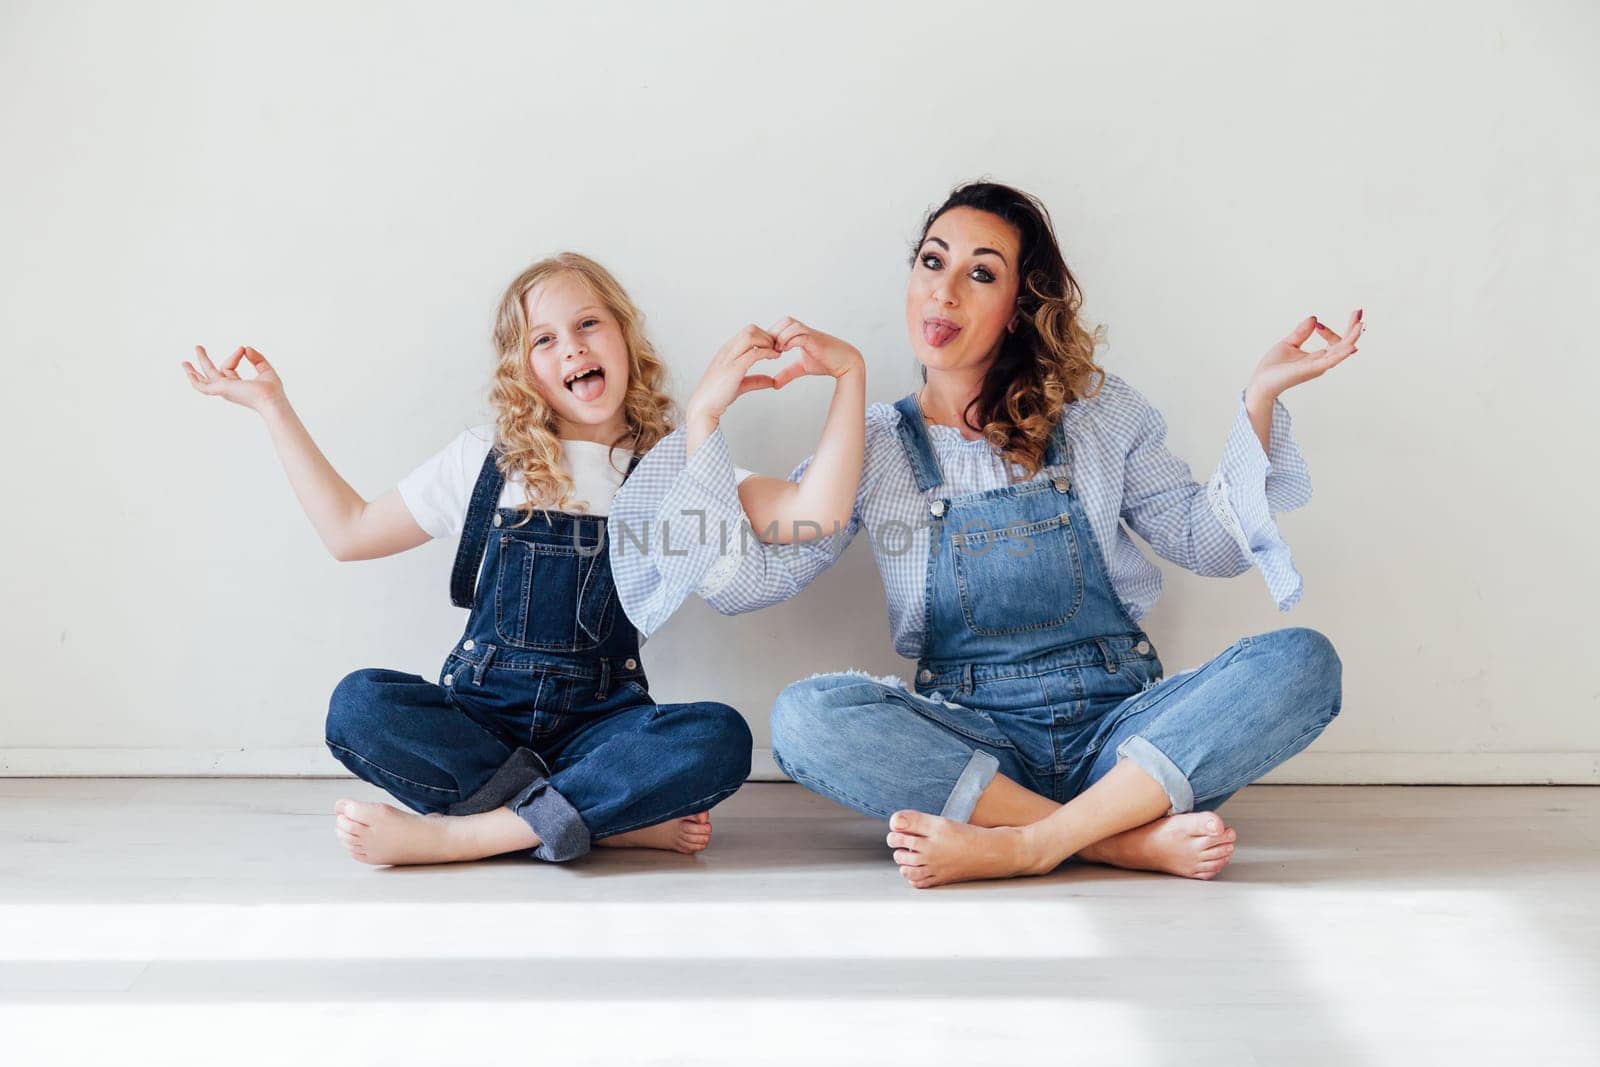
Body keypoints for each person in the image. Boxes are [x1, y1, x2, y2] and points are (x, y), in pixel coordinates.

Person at [611, 181, 1357, 887]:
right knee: (804, 719)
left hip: (1122, 733)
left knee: (1303, 661)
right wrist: (705, 421)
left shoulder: (1097, 415)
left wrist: (1258, 397)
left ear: (1020, 306)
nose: (944, 289)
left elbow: (1210, 543)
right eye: (933, 262)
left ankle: (1033, 844)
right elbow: (753, 581)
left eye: (981, 273)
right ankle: (1112, 838)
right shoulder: (872, 445)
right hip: (980, 750)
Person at [181, 253, 767, 866]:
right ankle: (597, 817)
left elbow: (812, 515)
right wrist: (273, 405)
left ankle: (467, 835)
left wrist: (718, 411)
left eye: (588, 324)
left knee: (719, 737)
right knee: (358, 704)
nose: (571, 347)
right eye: (545, 339)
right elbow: (348, 532)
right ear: (523, 370)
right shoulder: (486, 460)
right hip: (483, 721)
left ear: (624, 334)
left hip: (603, 725)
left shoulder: (673, 471)